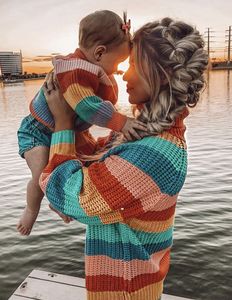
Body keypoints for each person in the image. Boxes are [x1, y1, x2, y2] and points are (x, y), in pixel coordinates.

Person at [40, 17, 208, 300]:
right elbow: (90, 158)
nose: (124, 76)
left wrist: (62, 124)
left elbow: (70, 195)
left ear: (160, 75)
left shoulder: (155, 155)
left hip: (125, 293)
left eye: (134, 66)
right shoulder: (146, 135)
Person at [17, 10, 147, 235]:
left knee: (85, 163)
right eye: (118, 62)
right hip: (36, 131)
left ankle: (62, 201)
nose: (119, 69)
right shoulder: (75, 70)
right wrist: (122, 122)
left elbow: (95, 106)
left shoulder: (89, 68)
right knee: (40, 175)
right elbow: (87, 106)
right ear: (99, 53)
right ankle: (31, 209)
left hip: (70, 130)